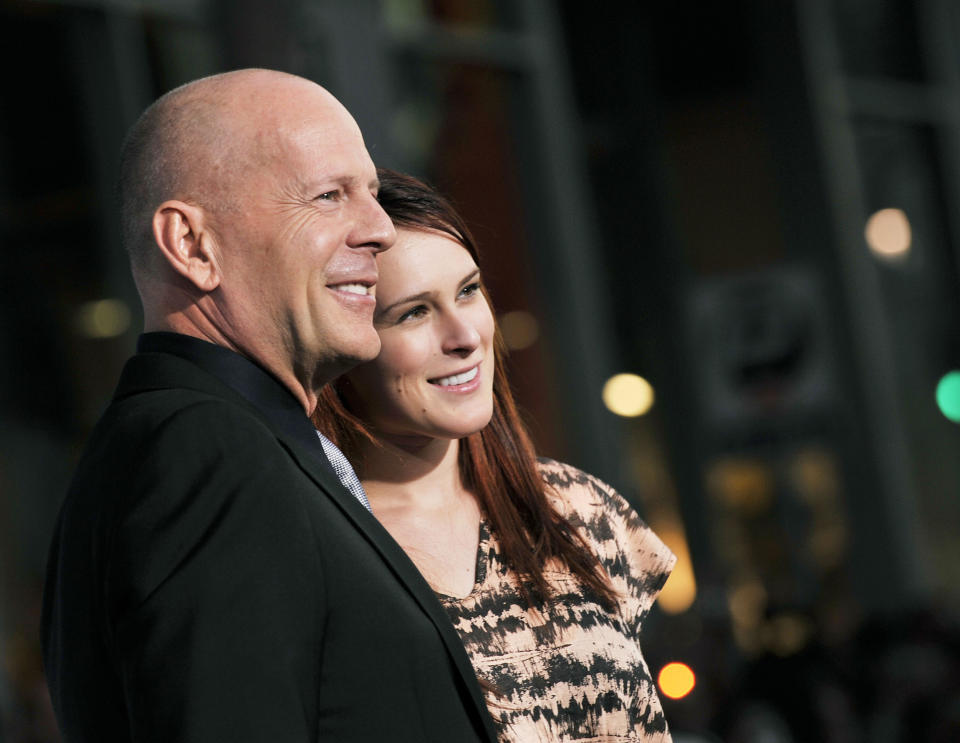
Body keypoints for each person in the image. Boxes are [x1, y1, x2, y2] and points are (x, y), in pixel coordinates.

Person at [41, 70, 498, 743]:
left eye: (370, 194)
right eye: (327, 195)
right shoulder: (204, 453)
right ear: (192, 246)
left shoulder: (225, 446)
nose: (379, 230)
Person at [312, 169, 677, 742]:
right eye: (413, 312)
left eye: (468, 290)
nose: (465, 335)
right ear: (344, 347)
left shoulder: (577, 508)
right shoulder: (320, 547)